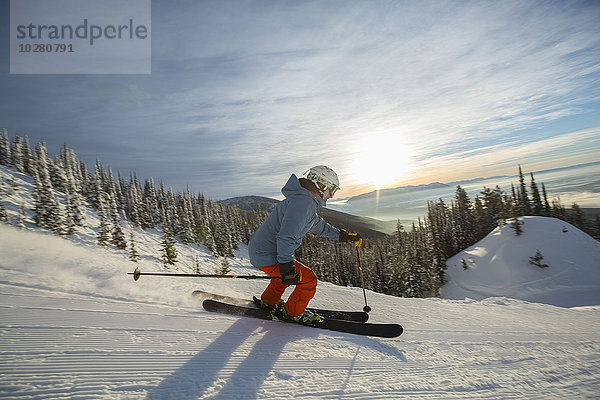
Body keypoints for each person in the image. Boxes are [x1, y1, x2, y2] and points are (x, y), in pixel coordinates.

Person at [248, 165, 362, 325]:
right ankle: (293, 314)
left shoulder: (303, 200)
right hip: (267, 254)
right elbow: (286, 237)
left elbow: (319, 226)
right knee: (308, 280)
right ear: (322, 186)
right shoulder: (303, 203)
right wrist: (286, 265)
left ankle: (268, 303)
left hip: (262, 251)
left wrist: (343, 236)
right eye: (332, 190)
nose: (331, 196)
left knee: (280, 279)